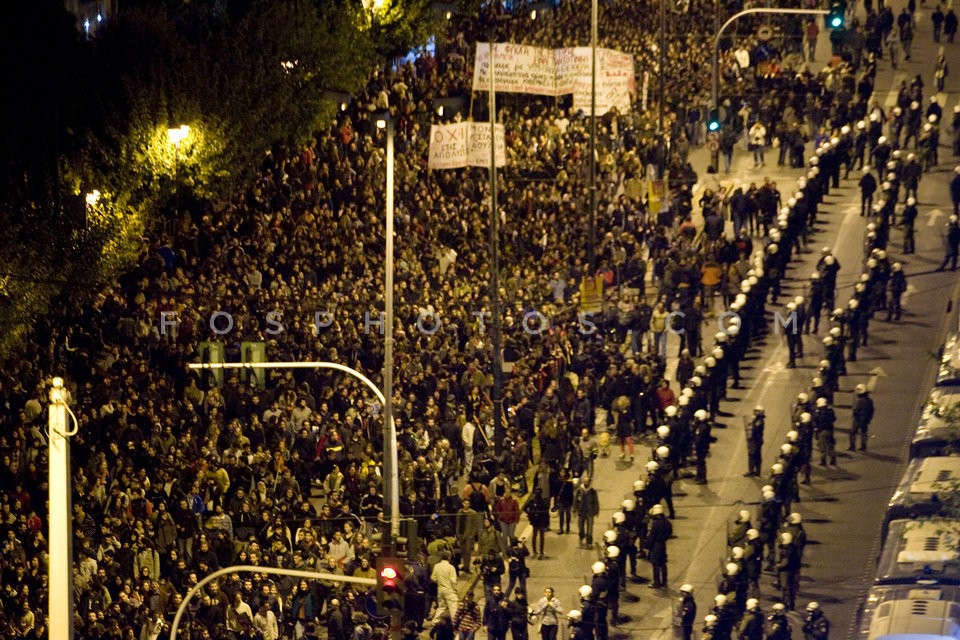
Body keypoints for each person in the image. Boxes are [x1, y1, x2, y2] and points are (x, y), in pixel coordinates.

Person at [645, 504, 673, 588]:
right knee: (663, 563)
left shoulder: (655, 523)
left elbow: (651, 536)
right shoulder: (667, 522)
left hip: (656, 545)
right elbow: (670, 532)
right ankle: (664, 582)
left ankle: (656, 582)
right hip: (662, 544)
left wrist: (647, 545)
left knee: (656, 564)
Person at [431, 551, 459, 625]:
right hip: (449, 589)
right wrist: (455, 590)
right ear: (449, 557)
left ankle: (435, 621)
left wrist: (440, 582)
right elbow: (453, 581)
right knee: (453, 607)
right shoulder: (451, 567)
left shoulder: (437, 566)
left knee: (441, 607)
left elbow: (433, 578)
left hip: (440, 589)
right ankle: (455, 623)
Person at [574, 475, 600, 549]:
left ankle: (589, 542)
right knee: (580, 527)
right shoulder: (579, 490)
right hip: (581, 512)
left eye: (587, 481)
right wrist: (574, 509)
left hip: (590, 512)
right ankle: (581, 538)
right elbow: (575, 500)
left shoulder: (592, 491)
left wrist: (596, 510)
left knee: (590, 529)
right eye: (584, 481)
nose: (586, 483)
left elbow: (596, 501)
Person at [524, 487, 550, 559]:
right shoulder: (543, 501)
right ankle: (539, 552)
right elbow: (546, 513)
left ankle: (535, 551)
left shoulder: (533, 501)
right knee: (540, 537)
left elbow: (525, 508)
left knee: (535, 536)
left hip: (536, 521)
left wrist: (530, 514)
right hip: (540, 521)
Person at [850, 384, 875, 451]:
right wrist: (869, 418)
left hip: (858, 419)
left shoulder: (860, 401)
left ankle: (852, 446)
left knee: (853, 432)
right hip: (865, 419)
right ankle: (863, 446)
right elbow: (872, 410)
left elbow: (856, 410)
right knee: (863, 432)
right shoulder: (869, 401)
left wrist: (854, 415)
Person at [746, 406, 764, 477]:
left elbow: (756, 428)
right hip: (756, 439)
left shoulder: (759, 420)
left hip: (756, 440)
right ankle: (756, 471)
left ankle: (752, 471)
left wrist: (752, 423)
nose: (755, 412)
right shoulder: (758, 419)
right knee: (756, 455)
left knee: (753, 455)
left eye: (757, 411)